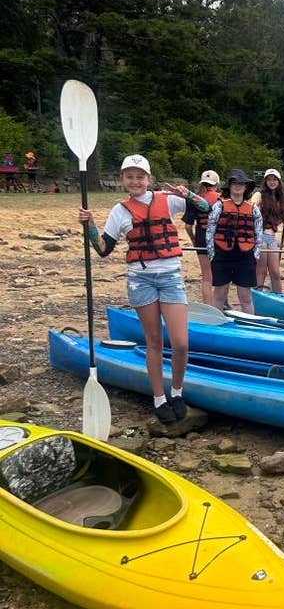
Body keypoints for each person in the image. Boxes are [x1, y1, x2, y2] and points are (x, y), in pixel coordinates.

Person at [78, 154, 210, 423]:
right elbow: (103, 249)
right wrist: (90, 225)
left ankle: (177, 392)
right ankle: (159, 398)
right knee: (154, 342)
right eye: (130, 176)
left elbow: (205, 208)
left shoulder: (168, 199)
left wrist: (188, 194)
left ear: (148, 179)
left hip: (171, 277)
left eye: (140, 176)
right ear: (123, 179)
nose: (135, 181)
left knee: (181, 343)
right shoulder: (120, 211)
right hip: (141, 281)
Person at [205, 169, 262, 314]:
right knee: (219, 295)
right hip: (221, 255)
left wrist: (255, 254)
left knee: (246, 297)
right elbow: (210, 230)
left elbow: (258, 232)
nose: (238, 186)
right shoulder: (219, 205)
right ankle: (215, 325)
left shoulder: (253, 208)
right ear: (229, 186)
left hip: (246, 256)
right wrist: (212, 254)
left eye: (241, 183)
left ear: (246, 187)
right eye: (234, 183)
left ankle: (249, 328)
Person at [183, 170, 221, 305]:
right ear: (217, 184)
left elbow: (188, 226)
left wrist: (194, 240)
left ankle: (208, 307)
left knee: (206, 277)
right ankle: (221, 303)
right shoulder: (222, 199)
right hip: (218, 239)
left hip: (201, 238)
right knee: (221, 274)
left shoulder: (193, 200)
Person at [252, 169, 284, 293]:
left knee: (275, 272)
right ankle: (257, 297)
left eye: (274, 179)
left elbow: (281, 218)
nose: (272, 182)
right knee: (261, 270)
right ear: (265, 181)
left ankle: (279, 297)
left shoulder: (280, 198)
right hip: (260, 236)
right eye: (269, 179)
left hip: (272, 237)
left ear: (278, 182)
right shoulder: (259, 195)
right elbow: (251, 207)